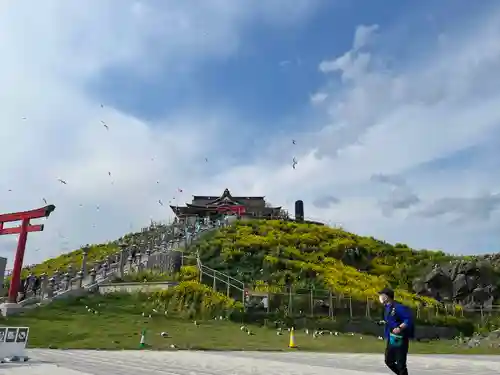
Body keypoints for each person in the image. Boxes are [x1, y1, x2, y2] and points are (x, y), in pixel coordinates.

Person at [378, 287, 414, 375]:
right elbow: (391, 319)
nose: (380, 297)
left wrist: (400, 328)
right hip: (391, 338)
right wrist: (384, 322)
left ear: (387, 297)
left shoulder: (398, 307)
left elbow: (408, 319)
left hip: (400, 338)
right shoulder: (387, 308)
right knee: (388, 360)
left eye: (382, 295)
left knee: (400, 363)